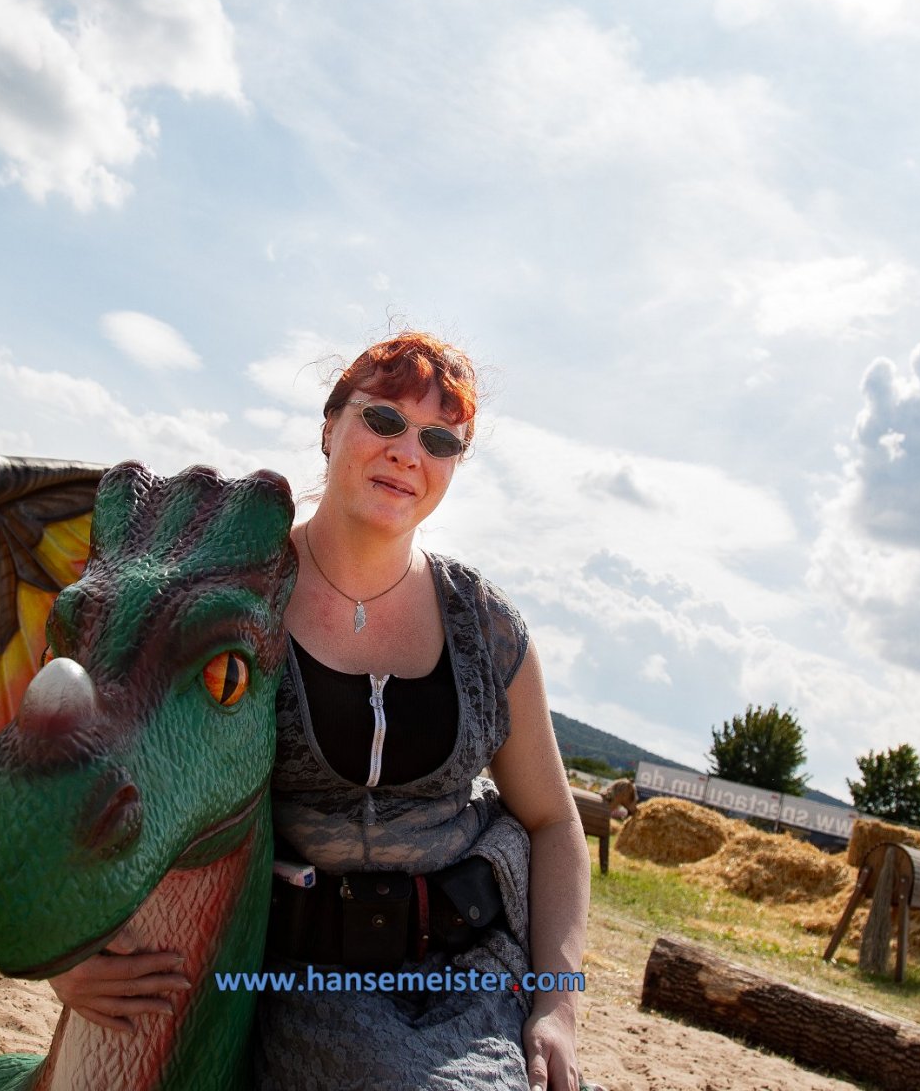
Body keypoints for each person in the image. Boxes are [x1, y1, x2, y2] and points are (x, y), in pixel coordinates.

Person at [49, 332, 589, 1091]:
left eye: (440, 440)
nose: (408, 453)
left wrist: (558, 1007)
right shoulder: (231, 602)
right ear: (330, 426)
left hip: (478, 977)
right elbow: (89, 759)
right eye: (383, 419)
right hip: (299, 977)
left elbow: (555, 822)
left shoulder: (486, 626)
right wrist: (65, 946)